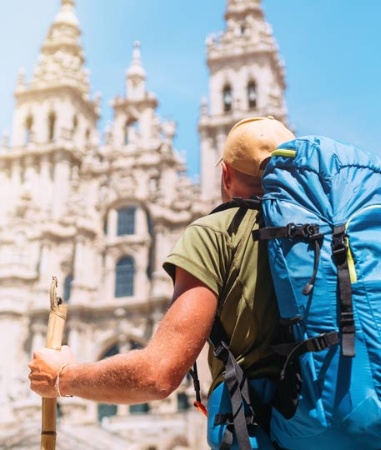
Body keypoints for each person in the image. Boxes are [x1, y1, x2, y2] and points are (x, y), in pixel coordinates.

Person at [28, 116, 295, 445]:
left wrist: (62, 376)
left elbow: (157, 375)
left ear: (225, 175)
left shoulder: (216, 233)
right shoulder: (327, 237)